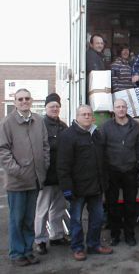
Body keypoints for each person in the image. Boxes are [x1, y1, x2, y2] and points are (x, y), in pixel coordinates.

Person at [0, 88, 50, 266]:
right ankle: (16, 254)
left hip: (35, 180)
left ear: (31, 100)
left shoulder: (38, 121)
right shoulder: (7, 122)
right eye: (20, 99)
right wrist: (17, 171)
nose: (24, 101)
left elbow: (45, 146)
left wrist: (44, 166)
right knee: (16, 220)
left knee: (29, 219)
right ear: (14, 102)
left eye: (27, 98)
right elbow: (3, 150)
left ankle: (28, 251)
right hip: (17, 182)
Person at [57, 105, 112, 261]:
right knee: (76, 220)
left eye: (89, 114)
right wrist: (66, 188)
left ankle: (94, 245)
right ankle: (78, 247)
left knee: (98, 218)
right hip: (77, 189)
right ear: (77, 117)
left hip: (95, 186)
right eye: (84, 114)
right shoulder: (68, 135)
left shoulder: (96, 134)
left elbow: (103, 159)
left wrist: (104, 182)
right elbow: (62, 165)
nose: (87, 117)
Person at [101, 99, 139, 247]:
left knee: (130, 205)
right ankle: (115, 235)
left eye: (123, 107)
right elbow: (100, 149)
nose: (120, 109)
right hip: (112, 171)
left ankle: (129, 235)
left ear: (127, 109)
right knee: (112, 205)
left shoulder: (135, 126)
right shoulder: (105, 127)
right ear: (113, 110)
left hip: (130, 171)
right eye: (118, 107)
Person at [35, 93, 69, 255]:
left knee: (58, 208)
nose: (54, 109)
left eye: (57, 106)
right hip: (46, 176)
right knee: (42, 210)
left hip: (61, 175)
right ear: (46, 108)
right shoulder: (39, 125)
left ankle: (56, 236)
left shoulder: (63, 126)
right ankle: (40, 240)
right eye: (51, 106)